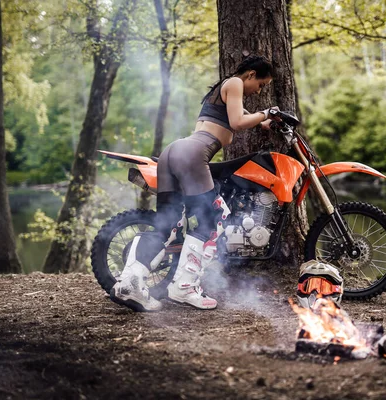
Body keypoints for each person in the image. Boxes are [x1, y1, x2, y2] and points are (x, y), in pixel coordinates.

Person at [110, 55, 278, 312]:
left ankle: (128, 283)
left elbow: (243, 116)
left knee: (167, 226)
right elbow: (237, 122)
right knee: (217, 216)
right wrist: (266, 112)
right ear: (251, 75)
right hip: (192, 155)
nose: (260, 90)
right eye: (262, 84)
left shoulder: (224, 89)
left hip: (173, 152)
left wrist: (265, 122)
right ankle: (184, 288)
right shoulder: (234, 83)